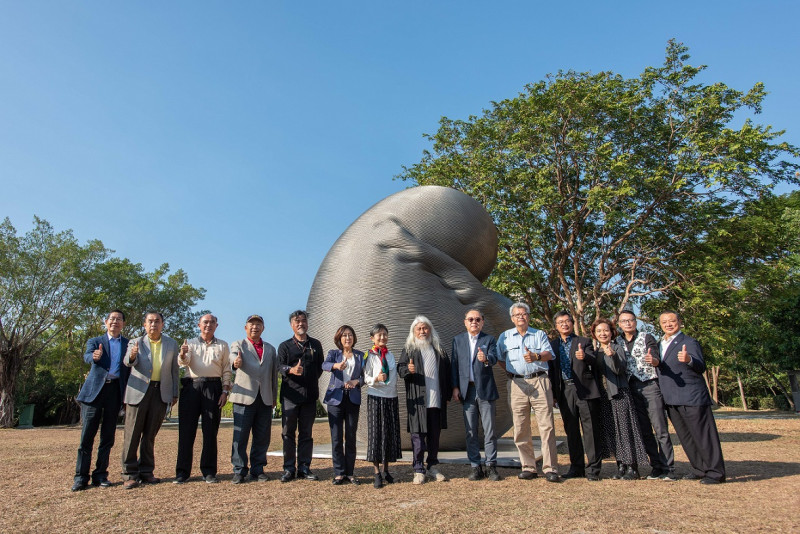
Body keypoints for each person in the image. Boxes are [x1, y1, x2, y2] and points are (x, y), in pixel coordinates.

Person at [653, 310, 725, 484]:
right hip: (671, 399)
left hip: (691, 397)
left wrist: (689, 359)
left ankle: (716, 472)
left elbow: (700, 366)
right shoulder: (659, 344)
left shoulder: (689, 342)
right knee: (686, 437)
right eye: (664, 322)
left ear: (679, 322)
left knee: (703, 436)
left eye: (672, 321)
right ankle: (700, 468)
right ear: (660, 325)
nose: (668, 324)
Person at [497, 303, 561, 483]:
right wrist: (512, 373)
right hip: (517, 383)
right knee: (520, 425)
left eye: (524, 314)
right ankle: (528, 466)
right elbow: (501, 359)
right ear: (512, 318)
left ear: (528, 316)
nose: (521, 317)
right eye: (517, 315)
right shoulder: (505, 337)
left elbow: (549, 354)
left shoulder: (539, 334)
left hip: (539, 380)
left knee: (546, 425)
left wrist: (536, 357)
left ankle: (550, 468)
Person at [72, 310, 131, 491]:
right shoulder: (96, 341)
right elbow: (87, 356)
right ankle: (81, 477)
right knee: (87, 437)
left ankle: (101, 475)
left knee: (107, 436)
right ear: (106, 322)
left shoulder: (128, 344)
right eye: (112, 319)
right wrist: (94, 357)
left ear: (123, 324)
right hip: (94, 392)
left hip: (115, 391)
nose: (115, 322)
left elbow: (130, 364)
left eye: (119, 319)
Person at [120, 311, 179, 489]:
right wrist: (132, 355)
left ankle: (147, 471)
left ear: (163, 324)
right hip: (138, 392)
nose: (154, 324)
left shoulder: (171, 343)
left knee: (150, 435)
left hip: (160, 392)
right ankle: (129, 473)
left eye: (157, 321)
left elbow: (174, 371)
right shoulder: (135, 342)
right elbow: (127, 362)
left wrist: (175, 393)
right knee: (132, 434)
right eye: (150, 322)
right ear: (144, 325)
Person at [616, 310, 677, 480]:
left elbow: (655, 357)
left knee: (660, 428)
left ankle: (668, 467)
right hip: (631, 387)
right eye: (624, 321)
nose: (627, 323)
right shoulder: (617, 341)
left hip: (650, 385)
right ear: (619, 324)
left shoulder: (646, 337)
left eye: (630, 320)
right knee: (644, 430)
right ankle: (656, 465)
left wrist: (654, 361)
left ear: (635, 322)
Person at [174, 314, 231, 484]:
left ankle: (209, 471)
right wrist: (183, 354)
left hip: (213, 388)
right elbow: (183, 363)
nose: (208, 325)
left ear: (216, 325)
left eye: (212, 322)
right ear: (199, 325)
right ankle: (182, 472)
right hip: (192, 386)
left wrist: (225, 391)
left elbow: (226, 369)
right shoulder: (190, 343)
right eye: (205, 322)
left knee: (211, 431)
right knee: (186, 431)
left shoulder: (223, 345)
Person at [591, 318, 648, 481]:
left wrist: (613, 356)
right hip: (604, 396)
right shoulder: (596, 352)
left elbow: (620, 369)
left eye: (606, 330)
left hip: (619, 394)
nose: (603, 333)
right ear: (595, 334)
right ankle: (620, 465)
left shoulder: (617, 348)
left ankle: (632, 467)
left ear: (612, 332)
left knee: (625, 430)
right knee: (613, 431)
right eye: (599, 331)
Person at [549, 310, 603, 481]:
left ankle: (594, 469)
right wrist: (554, 394)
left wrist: (584, 356)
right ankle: (577, 467)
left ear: (572, 323)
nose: (564, 324)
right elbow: (551, 371)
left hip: (585, 389)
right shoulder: (553, 345)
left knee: (590, 430)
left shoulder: (584, 341)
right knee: (571, 431)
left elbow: (595, 361)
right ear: (556, 326)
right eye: (560, 322)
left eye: (567, 321)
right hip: (565, 391)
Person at [397, 315, 451, 485]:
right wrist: (408, 369)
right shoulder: (409, 349)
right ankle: (418, 469)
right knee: (418, 437)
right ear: (414, 332)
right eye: (419, 329)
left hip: (436, 400)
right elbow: (400, 369)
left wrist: (447, 395)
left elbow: (448, 374)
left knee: (434, 436)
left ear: (430, 330)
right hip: (418, 400)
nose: (422, 331)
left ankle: (433, 466)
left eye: (425, 328)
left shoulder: (439, 350)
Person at [450, 309, 501, 482]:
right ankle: (475, 466)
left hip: (485, 390)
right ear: (465, 322)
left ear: (482, 322)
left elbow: (494, 357)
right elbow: (454, 365)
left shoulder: (489, 339)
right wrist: (455, 387)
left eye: (477, 319)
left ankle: (491, 466)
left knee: (490, 430)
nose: (474, 322)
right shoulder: (458, 340)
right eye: (470, 319)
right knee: (470, 430)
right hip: (467, 391)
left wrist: (485, 358)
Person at [229, 314, 278, 484]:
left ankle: (258, 469)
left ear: (263, 328)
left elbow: (273, 376)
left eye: (258, 324)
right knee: (240, 436)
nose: (255, 327)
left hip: (264, 397)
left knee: (262, 436)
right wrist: (235, 362)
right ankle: (239, 470)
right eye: (251, 324)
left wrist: (274, 397)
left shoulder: (271, 349)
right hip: (244, 397)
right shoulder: (238, 345)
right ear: (245, 328)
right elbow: (233, 358)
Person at [277, 310, 324, 482]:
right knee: (288, 433)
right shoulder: (284, 346)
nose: (300, 324)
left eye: (303, 321)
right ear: (292, 325)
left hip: (309, 396)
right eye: (297, 321)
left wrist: (308, 379)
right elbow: (279, 366)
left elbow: (319, 368)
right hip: (290, 396)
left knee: (306, 433)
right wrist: (291, 370)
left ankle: (304, 467)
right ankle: (289, 468)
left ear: (307, 323)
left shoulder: (316, 345)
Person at [322, 325, 364, 485]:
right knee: (336, 437)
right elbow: (324, 365)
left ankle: (350, 472)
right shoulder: (334, 354)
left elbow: (365, 376)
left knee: (351, 437)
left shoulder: (360, 355)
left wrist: (356, 381)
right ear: (339, 338)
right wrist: (336, 366)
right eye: (344, 335)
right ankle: (339, 473)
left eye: (350, 335)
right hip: (335, 399)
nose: (348, 338)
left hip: (352, 399)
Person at [363, 323, 402, 489]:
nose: (382, 337)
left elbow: (394, 377)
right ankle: (376, 472)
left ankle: (387, 470)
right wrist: (376, 379)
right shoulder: (369, 356)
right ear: (372, 338)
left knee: (388, 434)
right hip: (375, 398)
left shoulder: (391, 355)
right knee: (376, 435)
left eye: (385, 334)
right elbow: (365, 378)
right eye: (379, 335)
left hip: (391, 398)